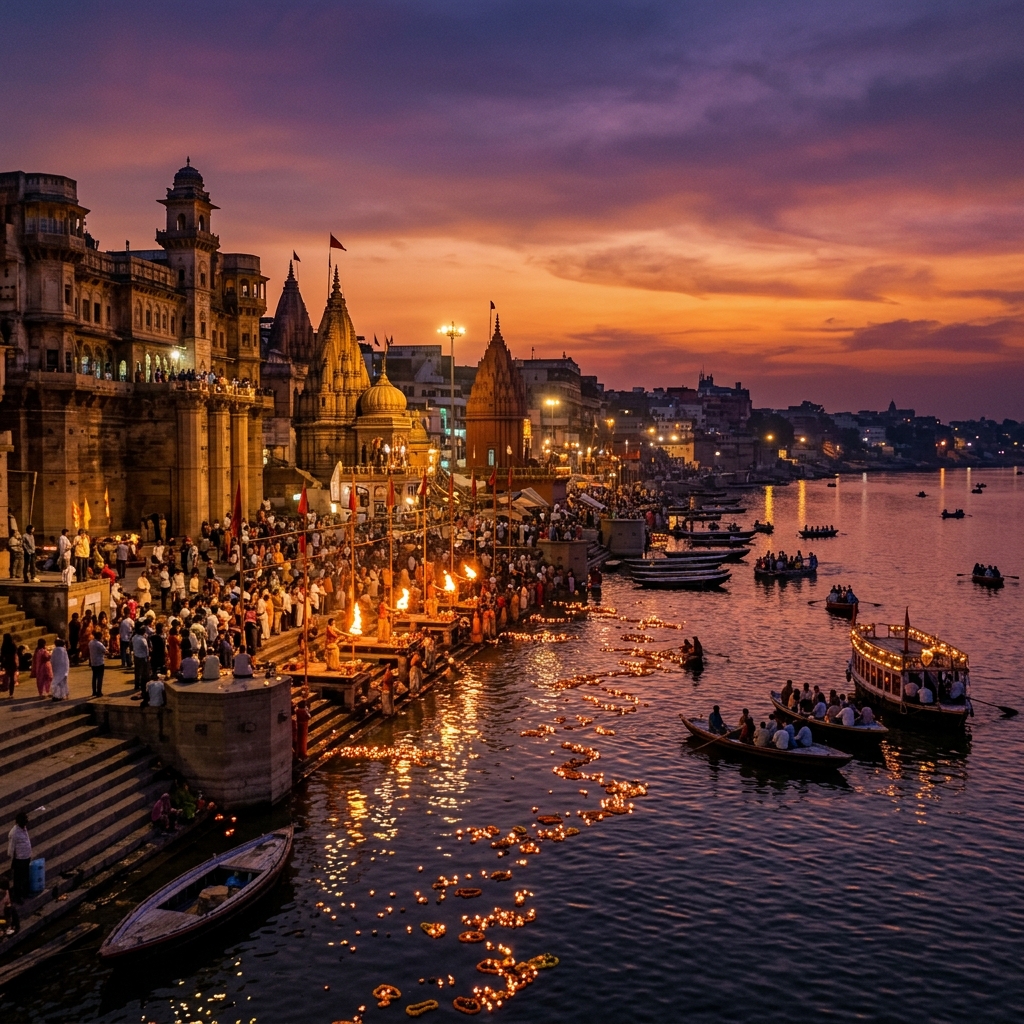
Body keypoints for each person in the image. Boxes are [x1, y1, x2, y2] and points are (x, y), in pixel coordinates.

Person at [7, 812, 31, 900]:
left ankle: (25, 893)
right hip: (19, 859)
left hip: (26, 857)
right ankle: (18, 896)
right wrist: (13, 859)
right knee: (18, 879)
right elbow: (11, 848)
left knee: (25, 876)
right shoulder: (14, 833)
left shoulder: (24, 828)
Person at [1, 633, 16, 697]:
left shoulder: (4, 645)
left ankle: (5, 687)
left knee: (7, 676)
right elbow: (15, 652)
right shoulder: (13, 645)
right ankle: (11, 693)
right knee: (12, 678)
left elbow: (2, 655)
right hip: (12, 662)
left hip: (6, 662)